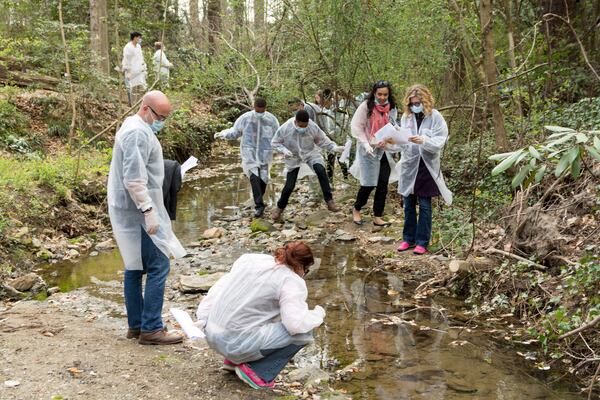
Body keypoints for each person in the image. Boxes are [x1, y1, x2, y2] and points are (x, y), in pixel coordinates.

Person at [107, 90, 186, 345]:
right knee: (159, 265)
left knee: (134, 266)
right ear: (146, 109)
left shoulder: (136, 126)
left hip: (131, 208)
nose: (162, 121)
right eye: (160, 116)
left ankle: (137, 324)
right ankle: (151, 328)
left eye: (166, 117)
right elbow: (133, 178)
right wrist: (149, 211)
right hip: (137, 210)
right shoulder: (137, 132)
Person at [196, 241, 324, 389]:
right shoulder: (291, 280)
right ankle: (258, 372)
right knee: (306, 330)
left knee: (262, 313)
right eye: (306, 271)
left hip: (211, 335)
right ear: (301, 267)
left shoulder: (250, 259)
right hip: (235, 344)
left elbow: (217, 290)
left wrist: (203, 319)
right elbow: (295, 325)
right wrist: (317, 315)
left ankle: (233, 361)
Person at [395, 84, 452, 255]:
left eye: (418, 102)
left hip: (426, 166)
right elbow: (402, 141)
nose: (415, 106)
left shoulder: (435, 117)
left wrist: (424, 141)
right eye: (412, 103)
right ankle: (408, 239)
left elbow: (440, 140)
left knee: (425, 205)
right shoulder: (406, 117)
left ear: (425, 100)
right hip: (409, 165)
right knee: (408, 204)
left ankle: (422, 241)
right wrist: (391, 141)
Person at [270, 109, 344, 221]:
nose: (303, 128)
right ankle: (279, 209)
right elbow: (275, 142)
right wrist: (284, 150)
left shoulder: (312, 126)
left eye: (305, 126)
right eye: (301, 126)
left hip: (310, 153)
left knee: (321, 171)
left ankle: (329, 202)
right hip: (293, 156)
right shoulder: (285, 128)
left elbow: (322, 140)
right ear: (296, 121)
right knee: (289, 186)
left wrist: (333, 147)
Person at [214, 98, 279, 218]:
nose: (260, 113)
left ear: (265, 108)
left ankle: (258, 199)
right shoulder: (245, 118)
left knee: (263, 179)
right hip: (249, 152)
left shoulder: (271, 120)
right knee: (254, 177)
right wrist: (223, 134)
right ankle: (259, 206)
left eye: (262, 111)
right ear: (254, 107)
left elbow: (278, 136)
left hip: (265, 153)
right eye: (258, 111)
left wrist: (285, 148)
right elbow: (235, 132)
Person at [349, 80, 399, 227]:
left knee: (383, 182)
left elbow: (392, 125)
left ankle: (378, 216)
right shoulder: (366, 107)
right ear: (374, 93)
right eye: (380, 94)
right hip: (368, 150)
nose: (382, 97)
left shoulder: (391, 108)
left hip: (383, 149)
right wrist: (366, 143)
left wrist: (390, 138)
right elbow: (357, 127)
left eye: (385, 94)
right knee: (369, 183)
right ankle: (357, 208)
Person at [122, 32, 147, 106]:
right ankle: (131, 104)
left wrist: (143, 65)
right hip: (131, 70)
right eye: (139, 37)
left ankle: (139, 103)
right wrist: (127, 69)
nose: (140, 39)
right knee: (130, 86)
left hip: (139, 70)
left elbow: (140, 57)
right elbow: (127, 59)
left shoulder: (138, 46)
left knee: (140, 86)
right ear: (135, 38)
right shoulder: (128, 47)